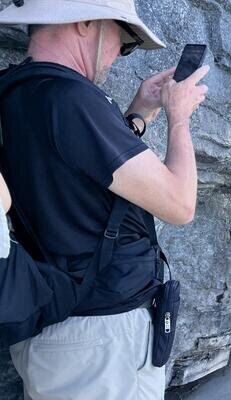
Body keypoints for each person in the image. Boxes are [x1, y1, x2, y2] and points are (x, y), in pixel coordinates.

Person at [0, 1, 209, 398]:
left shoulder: (15, 91)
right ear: (85, 22)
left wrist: (139, 113)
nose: (118, 53)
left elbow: (77, 169)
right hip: (99, 339)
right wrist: (179, 117)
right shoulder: (73, 99)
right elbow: (180, 205)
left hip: (60, 323)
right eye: (123, 40)